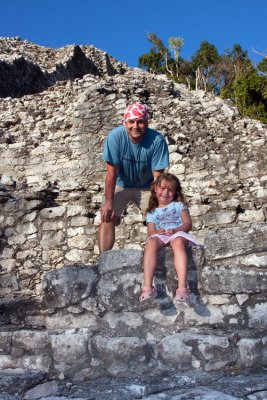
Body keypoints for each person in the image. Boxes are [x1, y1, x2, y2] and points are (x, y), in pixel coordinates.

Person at [98, 103, 169, 253]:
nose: (136, 126)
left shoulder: (157, 140)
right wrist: (109, 202)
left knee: (157, 217)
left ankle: (157, 256)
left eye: (140, 121)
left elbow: (158, 177)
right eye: (131, 122)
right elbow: (111, 172)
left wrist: (161, 205)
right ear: (125, 123)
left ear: (147, 123)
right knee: (107, 216)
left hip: (146, 185)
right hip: (121, 183)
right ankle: (103, 259)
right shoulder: (115, 137)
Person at [139, 172, 203, 303]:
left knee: (178, 241)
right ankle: (147, 287)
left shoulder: (179, 206)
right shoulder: (151, 212)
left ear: (175, 192)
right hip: (161, 236)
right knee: (150, 242)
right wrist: (158, 231)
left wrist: (175, 230)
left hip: (178, 233)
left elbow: (188, 224)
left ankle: (182, 288)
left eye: (170, 190)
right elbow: (151, 232)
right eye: (162, 188)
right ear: (155, 188)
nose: (165, 193)